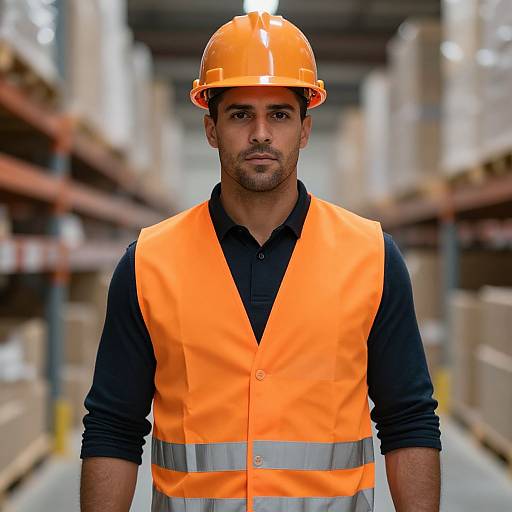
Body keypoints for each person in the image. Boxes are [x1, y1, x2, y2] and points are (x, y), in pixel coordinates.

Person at [80, 11, 441, 512]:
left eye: (279, 114)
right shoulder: (148, 262)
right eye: (239, 114)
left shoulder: (372, 256)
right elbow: (113, 426)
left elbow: (409, 419)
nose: (260, 134)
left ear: (305, 128)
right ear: (211, 129)